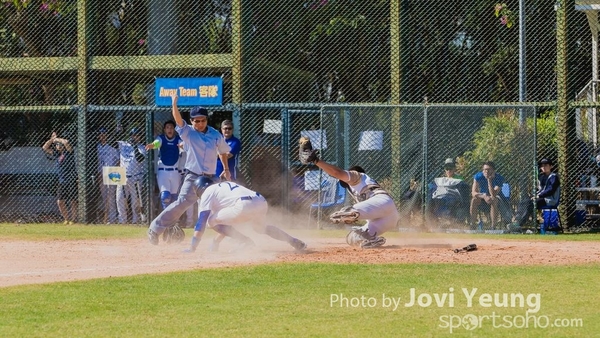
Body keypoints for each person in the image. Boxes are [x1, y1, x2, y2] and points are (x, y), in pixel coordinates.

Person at [147, 94, 231, 244]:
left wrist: (226, 169)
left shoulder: (215, 134)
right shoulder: (188, 132)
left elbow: (222, 151)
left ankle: (233, 237)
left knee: (222, 205)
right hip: (193, 177)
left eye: (203, 120)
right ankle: (155, 228)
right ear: (192, 121)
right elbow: (178, 120)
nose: (200, 123)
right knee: (181, 203)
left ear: (207, 120)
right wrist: (174, 104)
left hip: (211, 178)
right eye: (196, 120)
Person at [298, 139, 399, 248]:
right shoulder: (358, 188)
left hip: (382, 202)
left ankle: (351, 214)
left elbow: (337, 173)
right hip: (390, 218)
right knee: (353, 238)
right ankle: (371, 240)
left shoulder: (357, 176)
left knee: (348, 211)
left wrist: (316, 160)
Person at [183, 178, 307, 253]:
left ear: (199, 189)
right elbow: (223, 222)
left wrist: (192, 247)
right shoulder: (221, 188)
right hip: (260, 200)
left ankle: (245, 242)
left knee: (210, 221)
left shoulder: (207, 192)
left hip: (243, 204)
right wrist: (216, 242)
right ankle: (293, 241)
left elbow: (202, 221)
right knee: (260, 228)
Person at [145, 120, 183, 212]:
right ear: (164, 130)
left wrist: (183, 146)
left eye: (171, 128)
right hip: (163, 171)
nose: (169, 129)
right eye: (167, 128)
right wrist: (152, 145)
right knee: (165, 197)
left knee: (174, 197)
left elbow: (185, 146)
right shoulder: (161, 138)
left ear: (174, 130)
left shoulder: (178, 139)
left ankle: (174, 220)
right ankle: (166, 220)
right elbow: (157, 143)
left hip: (175, 172)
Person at [42, 131, 77, 224]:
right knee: (60, 201)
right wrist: (52, 139)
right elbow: (44, 147)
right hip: (62, 181)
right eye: (56, 144)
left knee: (73, 200)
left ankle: (73, 220)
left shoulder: (69, 152)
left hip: (71, 179)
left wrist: (57, 139)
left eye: (59, 144)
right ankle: (66, 219)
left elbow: (66, 142)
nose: (58, 145)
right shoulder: (56, 154)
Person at [116, 127, 147, 224]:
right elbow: (112, 139)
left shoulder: (142, 147)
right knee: (119, 198)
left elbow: (139, 159)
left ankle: (135, 220)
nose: (135, 137)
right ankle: (122, 220)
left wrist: (134, 146)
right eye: (133, 135)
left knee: (135, 202)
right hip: (122, 176)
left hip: (135, 178)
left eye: (137, 135)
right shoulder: (122, 144)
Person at [428, 158, 469, 222]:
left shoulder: (459, 179)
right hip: (441, 199)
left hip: (453, 200)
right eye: (447, 168)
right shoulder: (441, 180)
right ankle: (431, 222)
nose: (449, 170)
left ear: (454, 168)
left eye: (451, 168)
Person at [469, 161, 506, 229]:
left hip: (497, 199)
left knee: (493, 200)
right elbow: (473, 193)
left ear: (493, 170)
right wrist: (484, 196)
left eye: (489, 169)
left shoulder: (499, 178)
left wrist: (489, 180)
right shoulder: (478, 176)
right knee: (474, 200)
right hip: (483, 198)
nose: (486, 171)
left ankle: (493, 226)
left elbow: (493, 194)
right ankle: (472, 225)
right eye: (485, 170)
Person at [97, 127, 119, 224]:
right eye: (101, 134)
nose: (102, 136)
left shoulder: (112, 148)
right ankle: (108, 217)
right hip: (101, 174)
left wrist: (115, 171)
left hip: (111, 173)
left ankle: (112, 218)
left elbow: (119, 160)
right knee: (105, 197)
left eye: (104, 134)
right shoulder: (97, 147)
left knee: (111, 197)